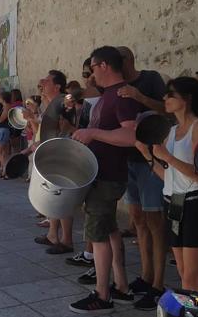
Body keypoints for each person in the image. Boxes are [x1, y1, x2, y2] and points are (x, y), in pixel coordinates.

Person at [69, 47, 141, 314]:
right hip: (102, 174)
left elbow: (132, 136)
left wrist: (94, 133)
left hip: (108, 176)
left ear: (103, 66)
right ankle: (121, 287)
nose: (90, 75)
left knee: (97, 235)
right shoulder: (108, 95)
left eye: (91, 69)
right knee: (109, 231)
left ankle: (102, 295)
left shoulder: (122, 94)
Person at [136, 77, 198, 295]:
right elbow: (168, 177)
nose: (164, 98)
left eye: (171, 94)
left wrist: (167, 156)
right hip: (174, 202)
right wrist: (146, 154)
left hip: (195, 203)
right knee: (183, 272)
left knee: (192, 276)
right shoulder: (171, 130)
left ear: (187, 99)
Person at [115, 46, 169, 310]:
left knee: (155, 221)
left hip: (151, 161)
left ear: (128, 60)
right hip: (130, 159)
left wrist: (139, 96)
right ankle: (146, 276)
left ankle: (159, 285)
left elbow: (166, 110)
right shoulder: (115, 85)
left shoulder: (150, 79)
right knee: (137, 220)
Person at [33, 70, 73, 254]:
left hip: (62, 153)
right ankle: (52, 235)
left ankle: (66, 240)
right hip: (52, 152)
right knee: (53, 195)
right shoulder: (51, 102)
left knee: (62, 196)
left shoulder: (64, 102)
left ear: (57, 86)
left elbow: (65, 126)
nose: (42, 82)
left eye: (47, 81)